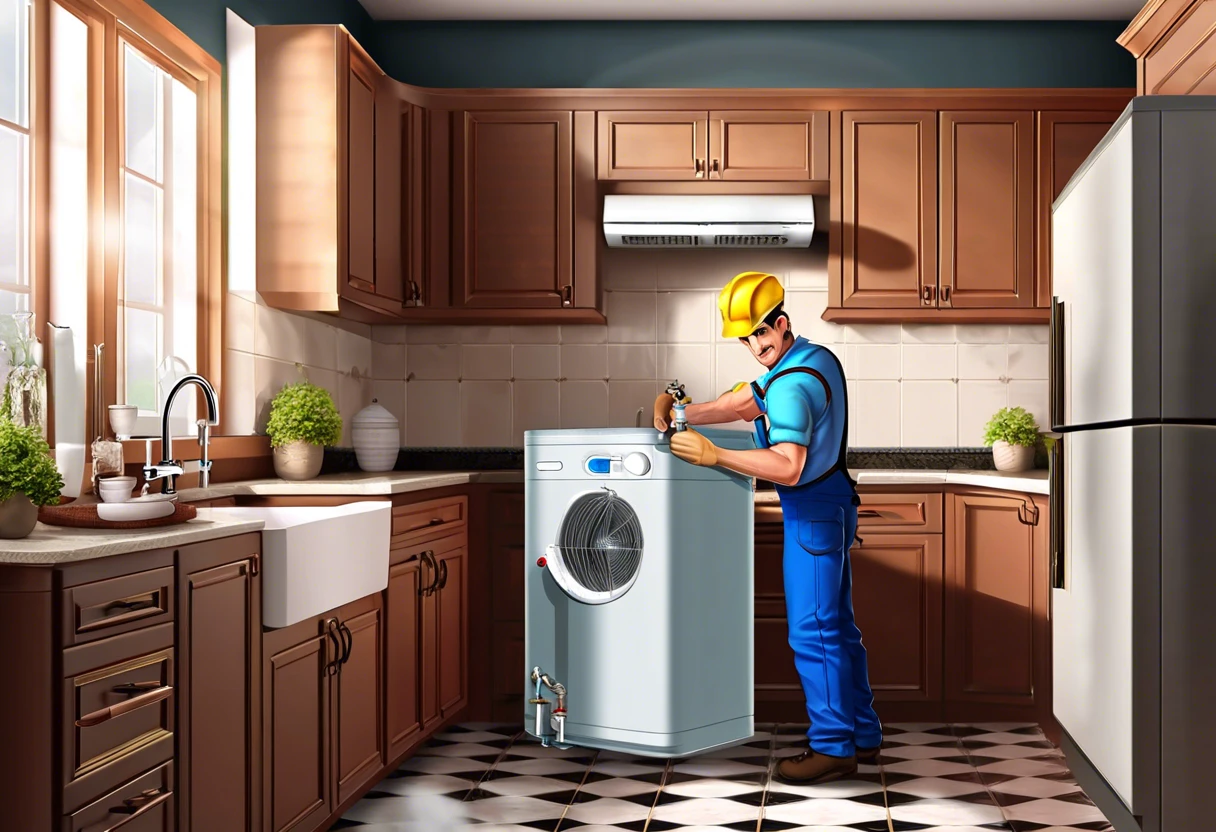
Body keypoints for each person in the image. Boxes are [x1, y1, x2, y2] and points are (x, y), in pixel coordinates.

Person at [653, 271, 882, 785]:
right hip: (833, 505)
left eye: (760, 333)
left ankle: (832, 748)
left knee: (813, 633)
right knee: (839, 630)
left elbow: (788, 466)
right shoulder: (808, 357)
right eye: (747, 338)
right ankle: (862, 734)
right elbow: (742, 401)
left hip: (812, 514)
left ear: (781, 323)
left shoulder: (792, 385)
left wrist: (715, 454)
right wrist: (682, 413)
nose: (755, 345)